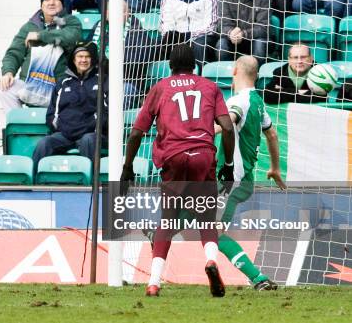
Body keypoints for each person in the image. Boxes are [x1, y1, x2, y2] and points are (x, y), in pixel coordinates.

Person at [121, 44, 236, 297]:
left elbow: (136, 132)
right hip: (203, 156)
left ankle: (153, 282)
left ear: (171, 66)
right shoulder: (210, 87)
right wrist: (228, 166)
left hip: (173, 156)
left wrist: (127, 166)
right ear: (195, 65)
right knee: (206, 218)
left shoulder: (160, 87)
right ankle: (211, 261)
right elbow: (227, 127)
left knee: (168, 220)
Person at [212, 56, 286, 290]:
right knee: (196, 210)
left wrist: (191, 131)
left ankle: (258, 278)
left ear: (234, 71)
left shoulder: (239, 100)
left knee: (214, 233)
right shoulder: (257, 101)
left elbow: (227, 122)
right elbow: (272, 135)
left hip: (231, 181)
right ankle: (159, 233)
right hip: (243, 180)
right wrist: (275, 168)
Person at [0, 0, 82, 113]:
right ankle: (21, 126)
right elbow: (14, 52)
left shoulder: (70, 22)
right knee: (4, 89)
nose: (51, 2)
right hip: (30, 84)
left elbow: (69, 37)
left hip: (58, 87)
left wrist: (40, 36)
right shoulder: (30, 26)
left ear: (62, 3)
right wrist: (8, 72)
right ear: (42, 5)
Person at [33, 42, 107, 174]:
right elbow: (51, 114)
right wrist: (62, 127)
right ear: (74, 59)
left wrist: (91, 126)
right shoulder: (62, 82)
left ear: (93, 59)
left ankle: (90, 185)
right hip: (65, 134)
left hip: (91, 134)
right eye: (80, 56)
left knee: (88, 141)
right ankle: (35, 184)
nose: (83, 60)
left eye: (87, 56)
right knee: (44, 143)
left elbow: (107, 113)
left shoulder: (103, 80)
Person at [90, 1, 152, 108]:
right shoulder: (99, 26)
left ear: (128, 13)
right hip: (99, 78)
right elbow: (87, 50)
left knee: (122, 95)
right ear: (107, 13)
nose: (117, 15)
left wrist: (106, 63)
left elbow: (136, 60)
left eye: (122, 12)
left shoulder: (137, 30)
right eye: (113, 11)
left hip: (126, 81)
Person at [151, 0, 220, 69]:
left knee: (200, 45)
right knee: (158, 43)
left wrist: (188, 36)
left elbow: (211, 26)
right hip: (177, 36)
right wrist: (176, 35)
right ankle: (166, 77)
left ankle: (200, 78)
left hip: (202, 36)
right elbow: (165, 24)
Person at [217, 0, 270, 66]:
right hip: (233, 39)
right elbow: (222, 25)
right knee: (222, 44)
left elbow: (263, 28)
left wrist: (244, 34)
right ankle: (227, 74)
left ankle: (257, 74)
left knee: (260, 43)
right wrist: (231, 33)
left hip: (255, 39)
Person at [263, 43, 327, 104]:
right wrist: (298, 92)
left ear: (311, 58)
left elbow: (321, 97)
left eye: (303, 57)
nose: (299, 61)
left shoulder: (320, 72)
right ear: (289, 60)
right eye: (295, 57)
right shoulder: (280, 72)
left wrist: (284, 91)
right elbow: (267, 95)